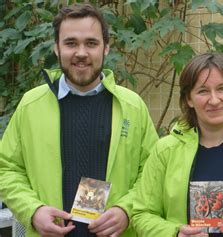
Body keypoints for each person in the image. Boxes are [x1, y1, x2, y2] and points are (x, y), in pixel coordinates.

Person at [0, 3, 158, 237]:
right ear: (56, 48)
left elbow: (153, 172)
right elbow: (7, 168)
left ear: (106, 48)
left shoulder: (132, 107)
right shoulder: (30, 105)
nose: (81, 52)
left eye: (91, 43)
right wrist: (33, 210)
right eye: (71, 43)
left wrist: (127, 210)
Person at [132, 52, 223, 237]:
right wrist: (174, 233)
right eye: (203, 91)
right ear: (189, 99)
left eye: (222, 88)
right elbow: (142, 214)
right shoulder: (166, 150)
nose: (214, 100)